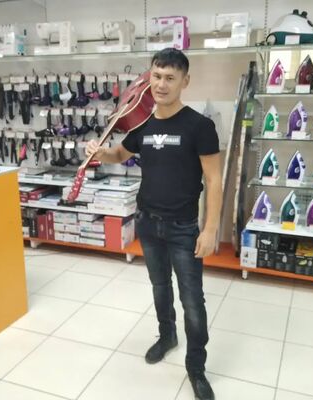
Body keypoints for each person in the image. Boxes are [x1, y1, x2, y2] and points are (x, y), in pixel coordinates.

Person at [85, 48, 221, 400]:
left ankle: (196, 367)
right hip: (148, 223)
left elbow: (214, 179)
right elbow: (120, 154)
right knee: (160, 288)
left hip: (183, 228)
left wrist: (210, 229)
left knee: (192, 300)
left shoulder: (200, 126)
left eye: (170, 78)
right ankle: (167, 336)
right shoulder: (142, 124)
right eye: (157, 76)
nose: (161, 84)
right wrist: (100, 152)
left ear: (185, 82)